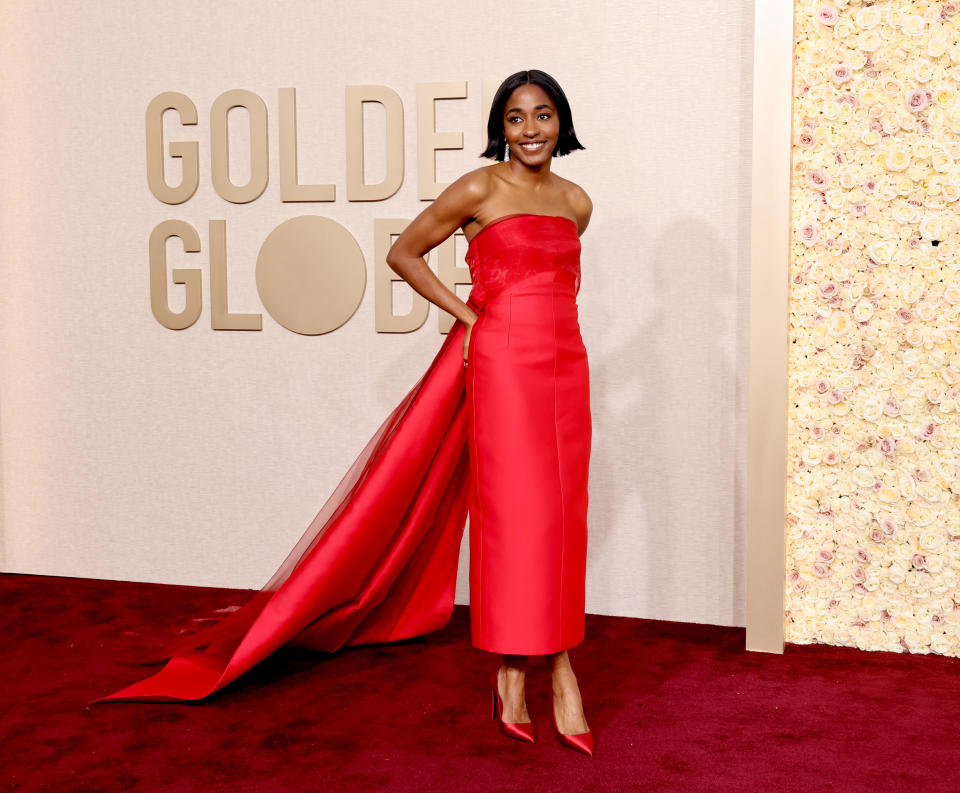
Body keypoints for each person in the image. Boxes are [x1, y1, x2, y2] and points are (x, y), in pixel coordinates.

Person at [93, 69, 594, 757]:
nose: (530, 129)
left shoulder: (577, 201)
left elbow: (562, 287)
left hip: (566, 369)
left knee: (564, 516)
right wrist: (470, 318)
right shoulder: (479, 188)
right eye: (515, 117)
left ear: (561, 123)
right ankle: (519, 670)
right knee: (514, 515)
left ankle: (558, 661)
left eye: (543, 115)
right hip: (503, 364)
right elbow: (404, 252)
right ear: (499, 128)